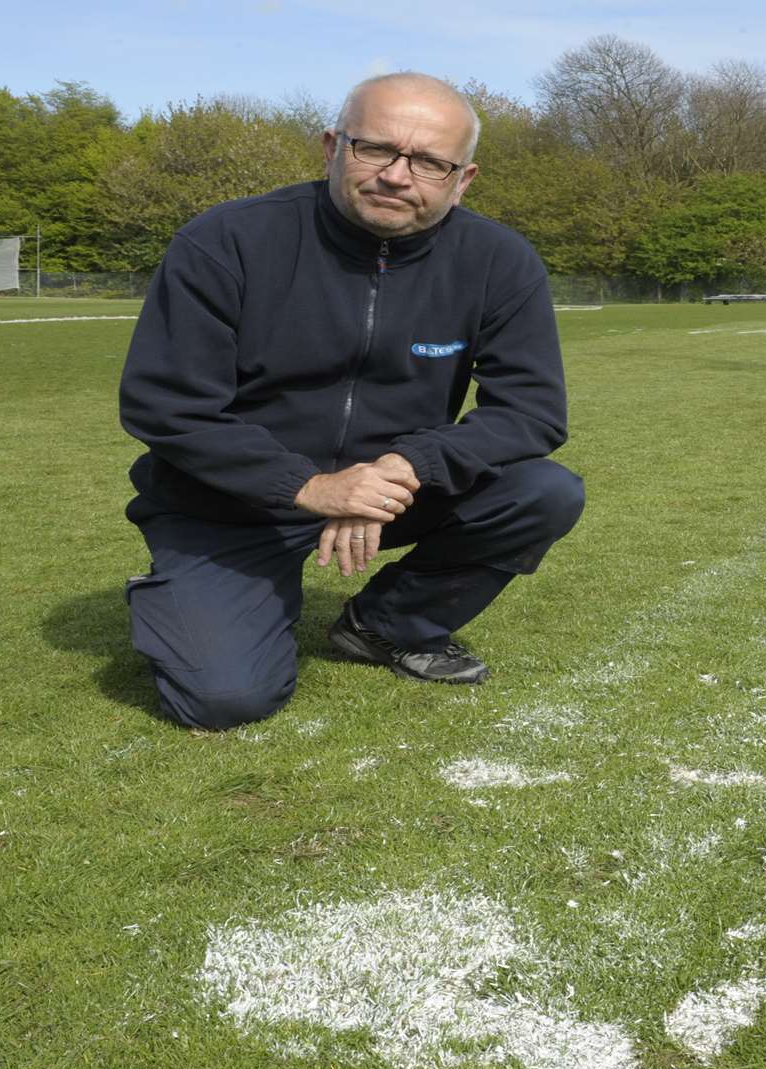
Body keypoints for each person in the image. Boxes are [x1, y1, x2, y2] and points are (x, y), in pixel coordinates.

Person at [117, 72, 584, 731]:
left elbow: (532, 410)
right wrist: (307, 486)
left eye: (428, 161)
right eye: (376, 149)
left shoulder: (499, 262)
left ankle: (387, 625)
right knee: (224, 700)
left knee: (543, 491)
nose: (398, 175)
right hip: (227, 507)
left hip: (388, 495)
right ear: (332, 145)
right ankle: (181, 595)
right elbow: (165, 405)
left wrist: (407, 466)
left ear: (464, 178)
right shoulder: (226, 242)